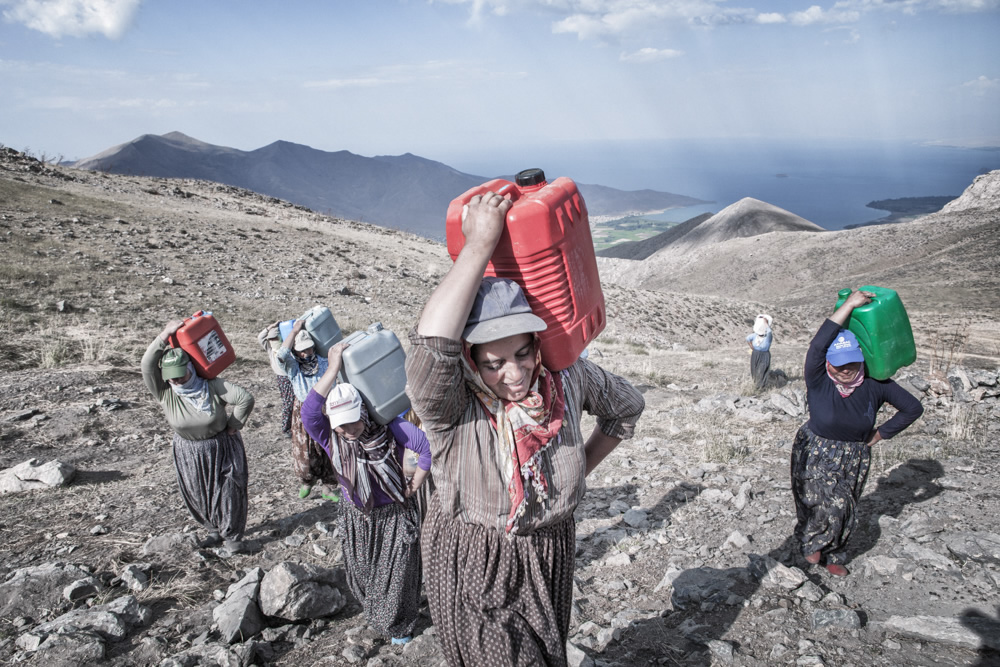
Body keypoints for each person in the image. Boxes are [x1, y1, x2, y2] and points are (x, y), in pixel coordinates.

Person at [405, 191, 645, 666]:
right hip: (477, 555)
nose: (513, 374)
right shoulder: (452, 406)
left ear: (538, 343)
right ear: (471, 363)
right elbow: (433, 344)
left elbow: (626, 407)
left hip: (550, 548)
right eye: (493, 364)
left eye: (521, 354)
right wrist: (479, 244)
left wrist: (576, 469)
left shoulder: (566, 377)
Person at [300, 342, 431, 644]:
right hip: (358, 517)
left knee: (398, 574)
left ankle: (400, 626)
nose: (348, 430)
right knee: (364, 574)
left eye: (352, 421)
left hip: (395, 515)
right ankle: (379, 613)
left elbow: (425, 448)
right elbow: (309, 412)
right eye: (341, 425)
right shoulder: (332, 438)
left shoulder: (389, 429)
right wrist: (332, 369)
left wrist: (415, 485)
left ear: (363, 411)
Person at [791, 289, 923, 576]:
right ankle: (811, 541)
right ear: (828, 363)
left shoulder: (877, 383)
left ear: (861, 359)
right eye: (839, 365)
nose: (846, 370)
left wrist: (879, 435)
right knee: (815, 499)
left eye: (852, 363)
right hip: (814, 447)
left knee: (844, 505)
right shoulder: (817, 377)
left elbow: (913, 408)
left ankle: (833, 553)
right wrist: (849, 305)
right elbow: (817, 344)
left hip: (853, 454)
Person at [141, 320, 255, 555]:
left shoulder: (211, 386)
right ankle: (213, 529)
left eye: (181, 376)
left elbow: (245, 398)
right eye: (172, 378)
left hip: (222, 446)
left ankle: (232, 536)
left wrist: (234, 424)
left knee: (229, 489)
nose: (177, 382)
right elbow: (146, 365)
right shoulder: (165, 392)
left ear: (191, 369)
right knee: (198, 491)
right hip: (188, 451)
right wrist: (164, 335)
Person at [274, 318, 338, 500]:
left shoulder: (323, 362)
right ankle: (306, 482)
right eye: (301, 350)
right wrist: (293, 332)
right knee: (304, 448)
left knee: (328, 448)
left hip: (325, 408)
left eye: (309, 348)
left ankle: (328, 488)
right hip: (303, 410)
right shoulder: (293, 367)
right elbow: (281, 355)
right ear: (296, 351)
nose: (306, 353)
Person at [257, 323, 294, 438]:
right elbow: (260, 337)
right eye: (271, 339)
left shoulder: (289, 349)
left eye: (275, 338)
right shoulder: (270, 349)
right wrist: (269, 327)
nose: (273, 341)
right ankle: (286, 428)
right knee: (288, 403)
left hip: (293, 376)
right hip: (282, 379)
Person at [746, 313, 773, 389]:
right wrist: (752, 347)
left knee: (762, 370)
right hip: (755, 353)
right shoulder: (755, 335)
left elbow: (769, 332)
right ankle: (755, 385)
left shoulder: (768, 337)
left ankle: (761, 387)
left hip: (764, 354)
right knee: (754, 369)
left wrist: (765, 323)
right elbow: (748, 339)